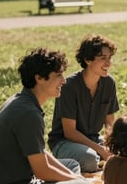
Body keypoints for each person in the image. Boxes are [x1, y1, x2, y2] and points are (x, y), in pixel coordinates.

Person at [0, 48, 96, 184]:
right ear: (39, 78)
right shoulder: (28, 114)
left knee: (72, 165)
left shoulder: (22, 101)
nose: (64, 81)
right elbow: (42, 171)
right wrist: (75, 181)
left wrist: (74, 178)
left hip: (16, 180)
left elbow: (40, 153)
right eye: (58, 75)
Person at [48, 35, 119, 173]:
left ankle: (98, 164)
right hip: (65, 142)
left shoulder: (109, 83)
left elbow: (110, 122)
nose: (108, 63)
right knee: (89, 158)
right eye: (103, 58)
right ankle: (62, 162)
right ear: (88, 60)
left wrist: (115, 144)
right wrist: (100, 150)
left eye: (109, 57)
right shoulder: (69, 86)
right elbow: (70, 132)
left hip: (94, 140)